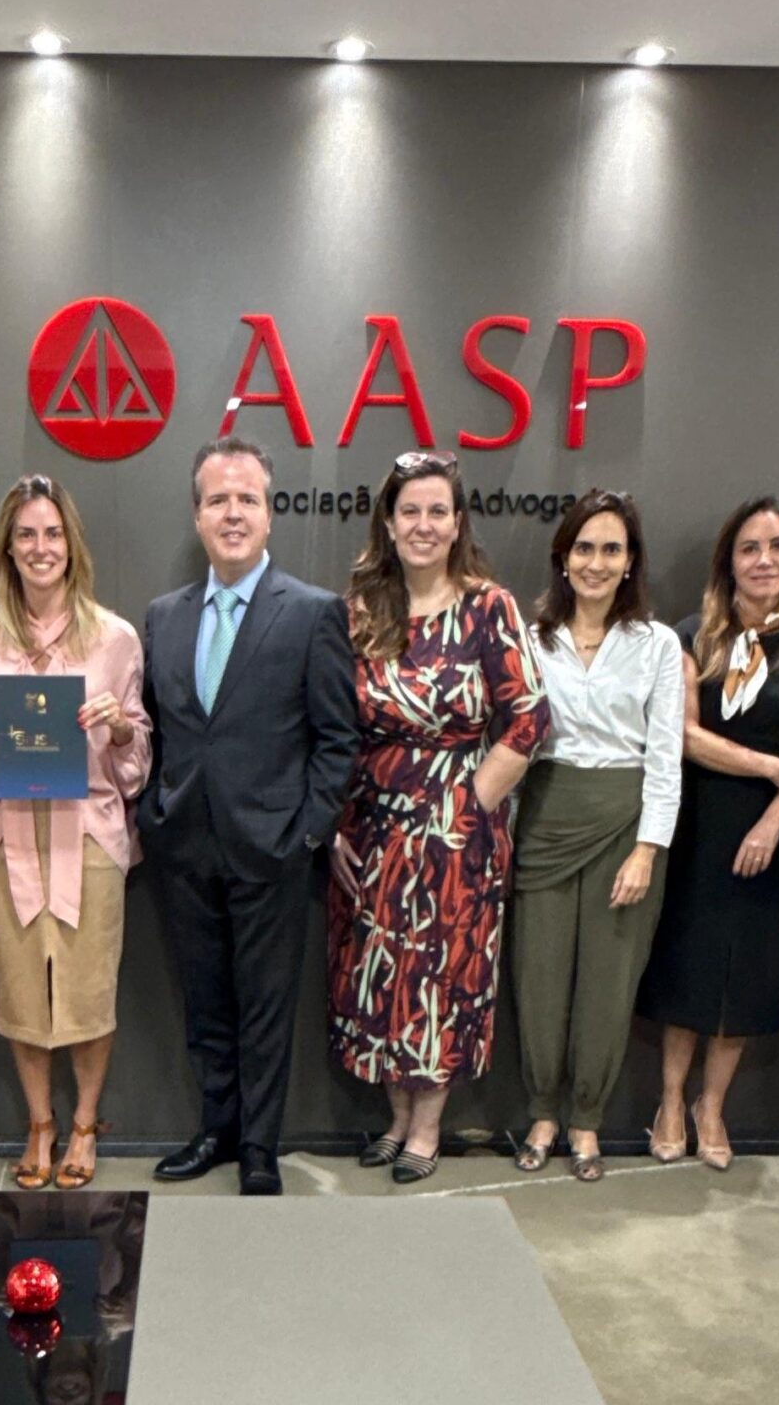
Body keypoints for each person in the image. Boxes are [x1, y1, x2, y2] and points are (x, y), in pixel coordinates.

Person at [139, 436, 359, 1196]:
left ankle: (260, 1147)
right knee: (205, 1004)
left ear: (269, 513)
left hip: (272, 850)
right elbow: (158, 727)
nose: (232, 513)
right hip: (184, 847)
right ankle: (217, 1130)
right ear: (197, 513)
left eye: (247, 499)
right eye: (217, 500)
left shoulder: (314, 613)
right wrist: (155, 810)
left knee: (266, 1008)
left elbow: (338, 738)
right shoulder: (163, 616)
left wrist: (307, 833)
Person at [326, 453, 549, 1184]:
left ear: (457, 525)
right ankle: (395, 1119)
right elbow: (332, 723)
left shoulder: (490, 608)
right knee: (381, 974)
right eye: (410, 512)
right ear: (388, 525)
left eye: (437, 512)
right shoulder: (360, 610)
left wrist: (468, 804)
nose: (423, 525)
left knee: (443, 977)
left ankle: (427, 1128)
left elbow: (529, 719)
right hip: (371, 828)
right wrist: (336, 825)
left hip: (458, 831)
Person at [0, 476, 151, 1191]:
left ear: (72, 545)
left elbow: (138, 763)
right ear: (8, 549)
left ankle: (85, 1124)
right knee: (20, 993)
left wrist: (120, 728)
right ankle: (39, 1124)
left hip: (87, 838)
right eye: (26, 535)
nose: (41, 548)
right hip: (8, 841)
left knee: (89, 991)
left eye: (52, 534)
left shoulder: (116, 638)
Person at [636, 497, 779, 1169]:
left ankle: (711, 1106)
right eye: (750, 548)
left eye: (777, 547)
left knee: (749, 971)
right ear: (729, 560)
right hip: (701, 820)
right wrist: (770, 767)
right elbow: (684, 736)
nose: (764, 561)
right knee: (687, 964)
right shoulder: (693, 636)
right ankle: (669, 1100)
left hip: (778, 829)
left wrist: (775, 815)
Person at [511, 490, 684, 1180]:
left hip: (625, 824)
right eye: (584, 547)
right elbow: (512, 743)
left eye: (612, 549)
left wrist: (647, 849)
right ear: (563, 557)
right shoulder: (531, 639)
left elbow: (665, 757)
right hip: (544, 818)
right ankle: (542, 1113)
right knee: (539, 978)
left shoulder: (658, 645)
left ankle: (586, 1121)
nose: (596, 562)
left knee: (609, 984)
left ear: (631, 560)